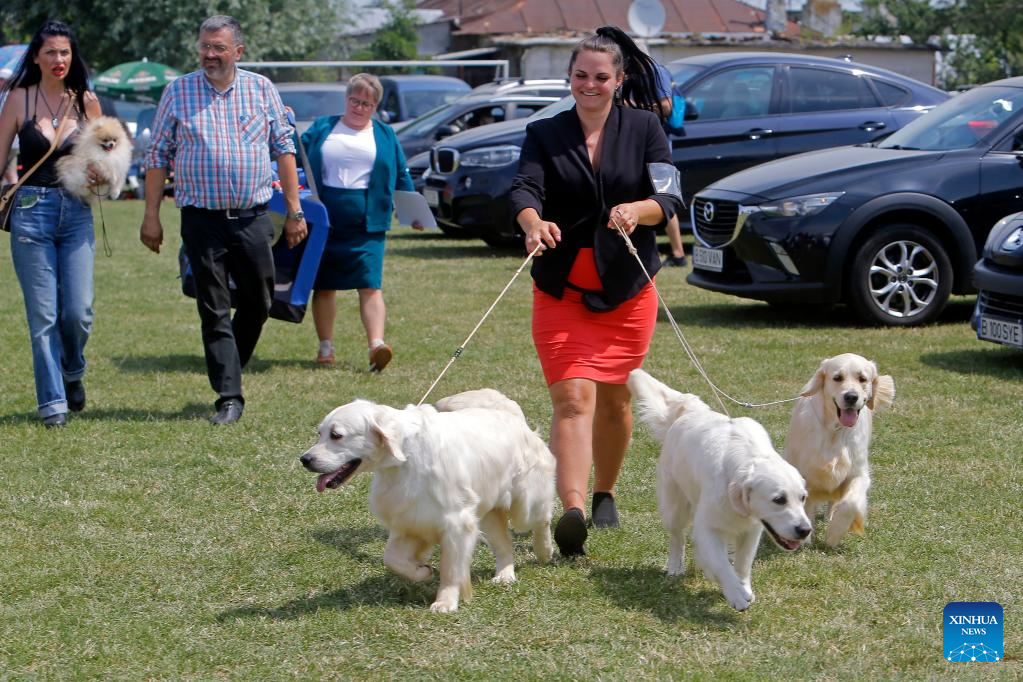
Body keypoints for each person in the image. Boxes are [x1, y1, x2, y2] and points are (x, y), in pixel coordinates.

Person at [509, 26, 683, 557]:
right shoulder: (546, 132)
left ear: (618, 79)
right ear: (570, 78)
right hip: (562, 292)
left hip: (628, 290)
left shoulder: (645, 127)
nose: (590, 84)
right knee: (572, 398)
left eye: (601, 77)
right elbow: (524, 187)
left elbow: (670, 194)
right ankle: (572, 511)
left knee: (614, 402)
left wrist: (638, 210)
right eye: (581, 75)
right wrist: (532, 222)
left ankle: (605, 491)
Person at [139, 15, 307, 424]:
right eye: (204, 47)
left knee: (259, 300)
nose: (209, 55)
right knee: (213, 307)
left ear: (238, 51)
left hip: (251, 217)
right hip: (201, 219)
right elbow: (158, 155)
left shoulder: (261, 88)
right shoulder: (178, 92)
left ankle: (230, 360)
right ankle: (229, 396)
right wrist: (151, 217)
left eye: (218, 47)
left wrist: (294, 210)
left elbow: (284, 149)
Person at [0, 21, 103, 428]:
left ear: (72, 56)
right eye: (50, 53)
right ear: (36, 58)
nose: (58, 60)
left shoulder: (87, 103)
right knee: (42, 315)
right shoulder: (18, 100)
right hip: (30, 210)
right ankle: (53, 405)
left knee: (78, 312)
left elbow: (106, 158)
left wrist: (101, 172)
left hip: (76, 211)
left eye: (64, 52)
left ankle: (73, 370)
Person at [299, 73, 420, 371]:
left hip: (369, 222)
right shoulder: (323, 127)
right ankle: (325, 347)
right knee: (324, 286)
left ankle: (376, 345)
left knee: (370, 285)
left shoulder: (385, 134)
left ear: (375, 106)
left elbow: (402, 174)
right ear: (346, 99)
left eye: (366, 103)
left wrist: (413, 212)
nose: (359, 107)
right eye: (355, 100)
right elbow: (296, 155)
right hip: (324, 220)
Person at [0, 67, 19, 184]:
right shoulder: (15, 96)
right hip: (14, 143)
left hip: (7, 143)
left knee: (9, 174)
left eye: (2, 79)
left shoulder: (6, 97)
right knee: (11, 174)